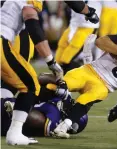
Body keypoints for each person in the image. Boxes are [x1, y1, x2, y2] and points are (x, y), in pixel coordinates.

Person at [1, 0, 99, 145]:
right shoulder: (56, 108)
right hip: (4, 38)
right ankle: (14, 134)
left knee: (22, 82)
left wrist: (88, 12)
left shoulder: (54, 115)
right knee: (29, 85)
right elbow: (31, 19)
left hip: (7, 37)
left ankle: (13, 129)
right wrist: (51, 61)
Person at [1, 89, 88, 138]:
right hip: (7, 100)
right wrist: (59, 85)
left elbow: (36, 120)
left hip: (5, 121)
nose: (72, 105)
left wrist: (17, 109)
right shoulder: (63, 100)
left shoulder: (55, 123)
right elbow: (42, 77)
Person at [55, 1, 102, 73]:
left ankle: (86, 77)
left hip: (88, 27)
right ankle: (58, 81)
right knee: (57, 62)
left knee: (66, 60)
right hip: (73, 26)